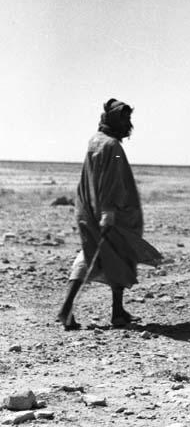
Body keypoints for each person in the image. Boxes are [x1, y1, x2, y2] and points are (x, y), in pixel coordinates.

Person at [57, 99, 162, 330]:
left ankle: (117, 311)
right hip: (109, 212)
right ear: (114, 120)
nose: (129, 124)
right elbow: (111, 179)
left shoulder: (95, 140)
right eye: (125, 119)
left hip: (89, 209)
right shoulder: (113, 147)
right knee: (107, 255)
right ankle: (69, 308)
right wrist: (109, 211)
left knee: (106, 255)